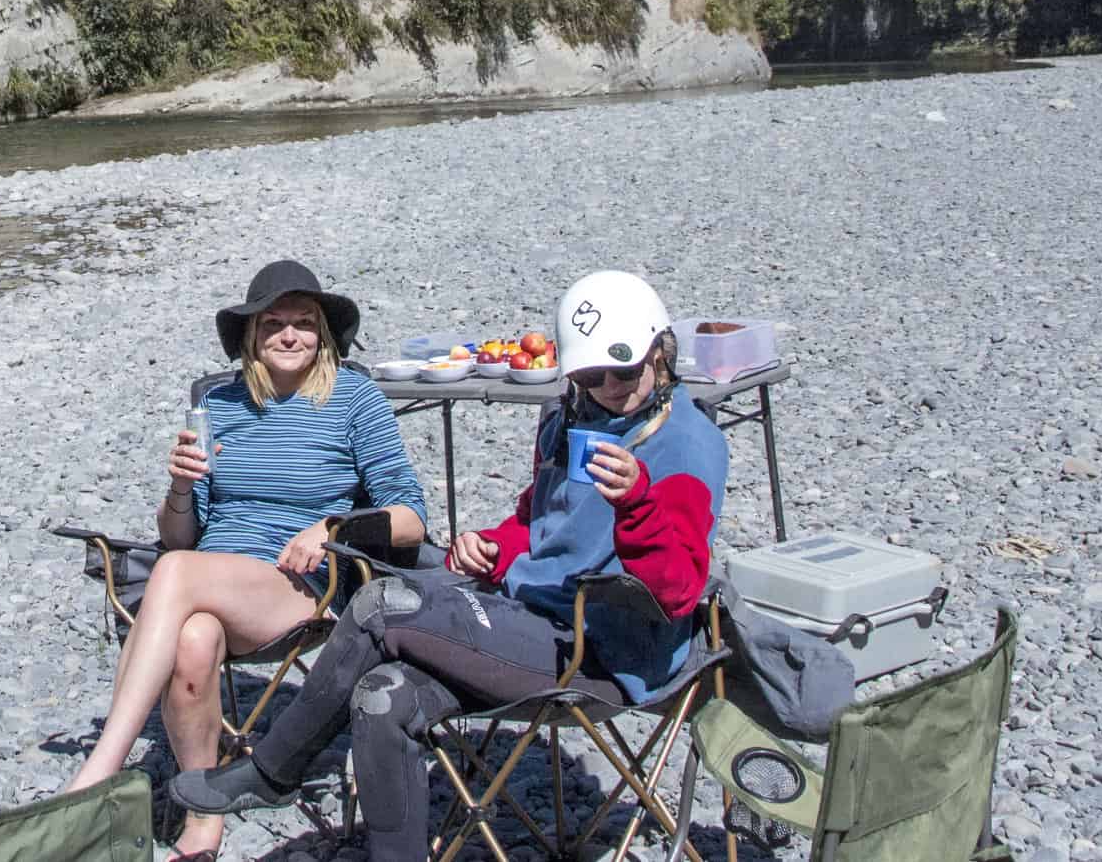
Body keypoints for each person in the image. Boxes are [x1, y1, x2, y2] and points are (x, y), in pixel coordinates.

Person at [169, 270, 727, 862]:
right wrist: (493, 545)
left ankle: (273, 772)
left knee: (385, 605)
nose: (609, 387)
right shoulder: (573, 420)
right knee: (383, 694)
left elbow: (677, 590)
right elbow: (537, 523)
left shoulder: (687, 443)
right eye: (590, 375)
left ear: (659, 354)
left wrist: (637, 502)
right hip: (532, 621)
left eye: (624, 371)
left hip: (606, 649)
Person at [64, 259, 428, 862]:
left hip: (299, 583)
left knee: (175, 577)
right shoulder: (219, 405)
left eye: (304, 323)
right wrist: (180, 489)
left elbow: (411, 518)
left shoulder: (355, 399)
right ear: (252, 336)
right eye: (274, 324)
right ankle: (204, 820)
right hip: (210, 580)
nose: (290, 336)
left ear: (325, 334)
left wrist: (333, 525)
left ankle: (101, 773)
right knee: (193, 639)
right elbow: (181, 536)